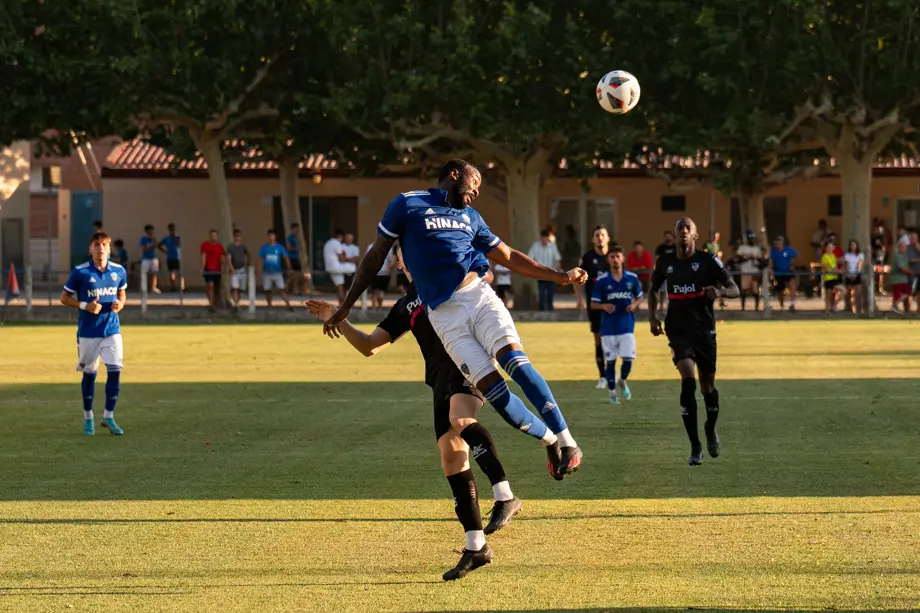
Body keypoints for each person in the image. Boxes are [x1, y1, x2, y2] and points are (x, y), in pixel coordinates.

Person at [323, 159, 588, 478]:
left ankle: (568, 441)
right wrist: (347, 304)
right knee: (495, 394)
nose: (477, 191)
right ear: (453, 175)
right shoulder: (407, 204)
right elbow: (375, 255)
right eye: (475, 182)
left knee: (516, 364)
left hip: (478, 299)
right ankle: (548, 440)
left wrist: (559, 277)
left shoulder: (471, 217)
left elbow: (508, 256)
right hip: (444, 318)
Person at [306, 245, 522, 581]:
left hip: (468, 366)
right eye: (407, 253)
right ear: (400, 262)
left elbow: (485, 277)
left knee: (461, 420)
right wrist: (339, 317)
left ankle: (505, 495)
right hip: (439, 381)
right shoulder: (407, 303)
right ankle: (476, 546)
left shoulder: (451, 279)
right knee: (452, 457)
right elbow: (369, 346)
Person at [648, 218, 739, 466]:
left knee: (707, 388)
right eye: (680, 229)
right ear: (674, 235)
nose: (683, 232)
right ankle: (695, 447)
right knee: (688, 382)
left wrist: (719, 292)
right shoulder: (665, 262)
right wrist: (653, 317)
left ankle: (710, 429)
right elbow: (653, 289)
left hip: (704, 331)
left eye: (688, 229)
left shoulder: (708, 261)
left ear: (695, 236)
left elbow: (734, 288)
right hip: (678, 330)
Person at [59, 232, 127, 436]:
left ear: (109, 247)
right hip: (88, 333)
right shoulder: (80, 272)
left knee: (115, 371)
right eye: (97, 245)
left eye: (104, 244)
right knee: (90, 374)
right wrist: (84, 305)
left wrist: (120, 304)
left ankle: (108, 416)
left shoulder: (119, 271)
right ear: (90, 248)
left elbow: (122, 293)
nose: (101, 248)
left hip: (111, 330)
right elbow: (64, 298)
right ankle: (88, 417)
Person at [590, 247, 642, 405]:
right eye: (612, 257)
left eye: (617, 256)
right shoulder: (602, 281)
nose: (615, 260)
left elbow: (640, 297)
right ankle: (612, 393)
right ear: (608, 260)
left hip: (626, 326)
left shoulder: (632, 278)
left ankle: (623, 380)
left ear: (623, 258)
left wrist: (634, 305)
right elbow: (593, 304)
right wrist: (603, 306)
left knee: (628, 360)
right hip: (607, 329)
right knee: (611, 362)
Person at [578, 226, 612, 389]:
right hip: (596, 306)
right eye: (597, 235)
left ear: (608, 238)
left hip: (613, 306)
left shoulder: (613, 257)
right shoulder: (588, 258)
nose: (600, 238)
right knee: (599, 341)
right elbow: (577, 278)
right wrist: (579, 298)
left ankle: (612, 372)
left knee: (613, 340)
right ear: (593, 239)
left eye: (602, 235)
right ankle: (602, 376)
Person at [527, 229, 562, 311]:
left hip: (551, 273)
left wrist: (559, 271)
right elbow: (530, 258)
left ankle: (550, 308)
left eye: (546, 238)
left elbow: (557, 259)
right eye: (543, 238)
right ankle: (541, 309)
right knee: (542, 293)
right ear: (540, 238)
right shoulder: (535, 246)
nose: (544, 240)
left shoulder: (552, 247)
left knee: (551, 292)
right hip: (540, 273)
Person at [258, 229, 292, 309]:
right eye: (269, 236)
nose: (271, 238)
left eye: (273, 236)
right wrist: (259, 270)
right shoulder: (264, 248)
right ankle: (269, 304)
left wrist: (289, 268)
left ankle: (288, 305)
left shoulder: (280, 247)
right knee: (267, 290)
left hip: (277, 272)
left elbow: (285, 257)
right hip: (267, 272)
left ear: (275, 237)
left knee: (281, 289)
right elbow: (260, 259)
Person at [323, 230, 356, 306]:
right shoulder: (336, 243)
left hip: (329, 268)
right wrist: (350, 259)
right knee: (353, 267)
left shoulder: (328, 243)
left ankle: (341, 305)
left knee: (340, 287)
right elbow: (342, 258)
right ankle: (350, 283)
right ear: (340, 237)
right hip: (336, 267)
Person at [769, 236, 798, 312]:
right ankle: (782, 306)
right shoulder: (773, 251)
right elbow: (771, 261)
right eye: (776, 242)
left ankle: (792, 304)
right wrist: (771, 269)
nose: (777, 243)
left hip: (788, 272)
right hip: (779, 272)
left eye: (778, 241)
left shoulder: (788, 249)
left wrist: (792, 265)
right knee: (780, 290)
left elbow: (796, 257)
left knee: (792, 285)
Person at [735, 232, 763, 311]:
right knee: (744, 290)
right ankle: (743, 307)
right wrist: (747, 257)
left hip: (754, 271)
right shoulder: (742, 248)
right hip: (745, 271)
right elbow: (738, 259)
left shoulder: (756, 249)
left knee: (755, 290)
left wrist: (755, 258)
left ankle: (756, 307)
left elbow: (760, 260)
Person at [199, 230, 225, 311]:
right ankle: (211, 304)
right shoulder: (205, 245)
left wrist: (223, 268)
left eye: (215, 235)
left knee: (216, 287)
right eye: (212, 235)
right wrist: (202, 267)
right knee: (210, 285)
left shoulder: (220, 247)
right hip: (208, 269)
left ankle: (216, 303)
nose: (213, 237)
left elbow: (222, 258)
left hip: (217, 270)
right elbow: (203, 256)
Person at [225, 229, 250, 308]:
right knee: (235, 287)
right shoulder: (230, 247)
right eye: (236, 236)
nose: (237, 238)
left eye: (239, 236)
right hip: (234, 270)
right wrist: (231, 268)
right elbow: (229, 258)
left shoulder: (243, 247)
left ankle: (238, 301)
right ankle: (236, 303)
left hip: (242, 269)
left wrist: (247, 265)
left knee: (241, 288)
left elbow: (248, 255)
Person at [369, 241, 394, 309]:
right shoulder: (371, 246)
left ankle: (379, 307)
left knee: (381, 293)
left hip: (384, 274)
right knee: (374, 291)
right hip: (374, 273)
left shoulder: (389, 248)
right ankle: (373, 308)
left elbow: (392, 260)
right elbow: (368, 259)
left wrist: (388, 268)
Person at [842, 240, 865, 314]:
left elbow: (860, 264)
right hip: (848, 275)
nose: (853, 246)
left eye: (854, 245)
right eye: (851, 245)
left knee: (859, 293)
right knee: (848, 293)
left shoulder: (860, 255)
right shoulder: (847, 255)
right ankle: (849, 308)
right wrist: (849, 275)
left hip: (857, 275)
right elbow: (846, 265)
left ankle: (860, 309)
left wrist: (855, 274)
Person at [889, 240, 912, 314]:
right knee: (897, 295)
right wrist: (912, 272)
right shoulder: (897, 256)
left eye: (905, 247)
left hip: (904, 279)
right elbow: (902, 268)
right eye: (902, 247)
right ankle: (895, 307)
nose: (904, 249)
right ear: (898, 248)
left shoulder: (905, 256)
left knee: (908, 292)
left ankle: (896, 306)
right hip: (896, 279)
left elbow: (909, 263)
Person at [139, 224, 160, 294]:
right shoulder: (143, 239)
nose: (151, 231)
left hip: (153, 258)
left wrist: (153, 245)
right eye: (149, 230)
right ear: (146, 231)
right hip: (146, 259)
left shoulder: (153, 239)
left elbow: (155, 246)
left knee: (154, 273)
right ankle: (143, 288)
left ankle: (153, 287)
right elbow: (143, 248)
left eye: (152, 230)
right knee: (144, 273)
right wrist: (151, 245)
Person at [821, 241, 840, 313]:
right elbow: (826, 269)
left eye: (831, 247)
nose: (830, 248)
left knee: (843, 290)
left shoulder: (833, 256)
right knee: (828, 296)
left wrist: (838, 270)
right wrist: (835, 271)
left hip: (834, 278)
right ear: (826, 248)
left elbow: (834, 267)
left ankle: (833, 305)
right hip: (828, 279)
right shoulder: (824, 257)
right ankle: (827, 311)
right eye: (828, 247)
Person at [286, 223, 304, 296]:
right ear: (292, 229)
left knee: (299, 275)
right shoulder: (290, 237)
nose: (297, 231)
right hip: (291, 258)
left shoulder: (296, 237)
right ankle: (286, 289)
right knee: (292, 274)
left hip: (296, 258)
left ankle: (296, 289)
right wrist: (295, 248)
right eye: (296, 229)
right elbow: (288, 247)